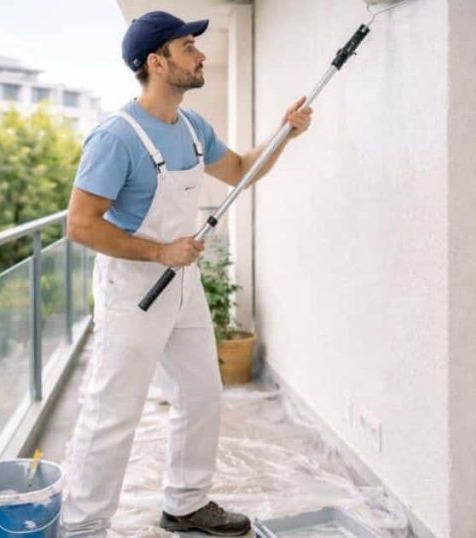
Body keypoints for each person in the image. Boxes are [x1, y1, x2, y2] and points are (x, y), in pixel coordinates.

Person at [62, 10, 313, 537]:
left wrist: (284, 134)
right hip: (133, 290)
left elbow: (242, 170)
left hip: (181, 285)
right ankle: (83, 525)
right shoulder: (116, 137)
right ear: (157, 62)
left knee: (202, 393)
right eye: (187, 47)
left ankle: (185, 503)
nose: (200, 55)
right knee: (114, 410)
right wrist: (158, 253)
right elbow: (80, 226)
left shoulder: (193, 127)